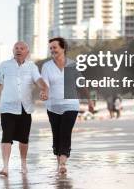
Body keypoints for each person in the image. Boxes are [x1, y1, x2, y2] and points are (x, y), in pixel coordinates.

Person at [0, 41, 49, 177]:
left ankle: (23, 164)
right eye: (16, 48)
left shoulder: (32, 66)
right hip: (7, 107)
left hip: (25, 107)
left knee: (24, 138)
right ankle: (5, 167)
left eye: (22, 48)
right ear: (13, 50)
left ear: (27, 51)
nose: (19, 50)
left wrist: (44, 88)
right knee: (6, 136)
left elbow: (38, 80)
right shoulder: (4, 65)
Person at [42, 37, 94, 175]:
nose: (52, 50)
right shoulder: (47, 66)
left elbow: (81, 83)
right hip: (53, 105)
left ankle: (63, 162)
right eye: (51, 48)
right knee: (57, 134)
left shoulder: (72, 65)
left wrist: (90, 100)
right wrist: (45, 93)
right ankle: (59, 161)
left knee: (65, 132)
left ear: (63, 48)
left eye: (55, 47)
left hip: (71, 104)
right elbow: (45, 84)